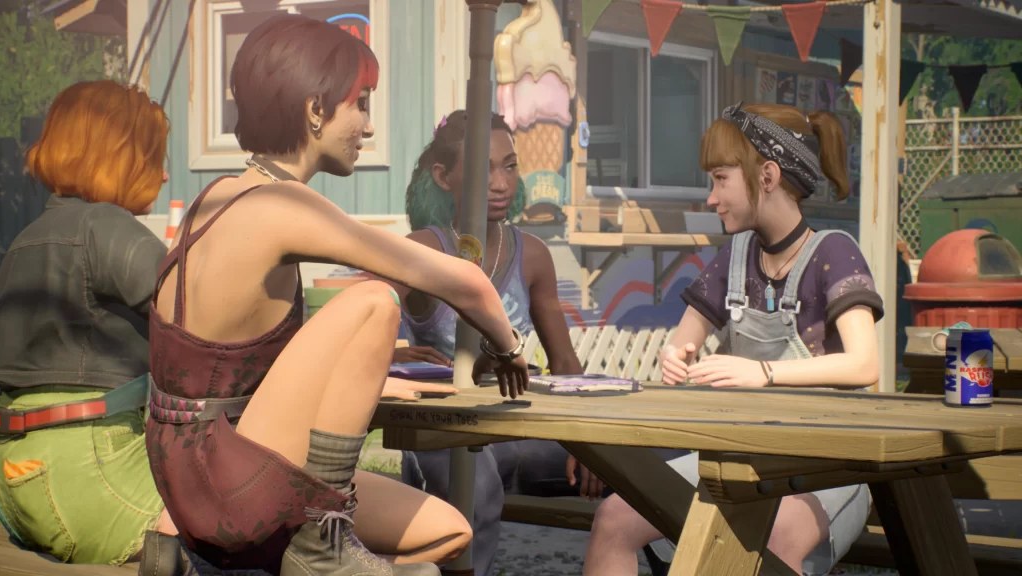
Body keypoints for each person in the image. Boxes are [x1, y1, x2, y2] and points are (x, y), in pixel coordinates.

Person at [138, 15, 534, 576]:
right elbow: (462, 280)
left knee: (450, 532)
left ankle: (190, 556)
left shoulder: (215, 197)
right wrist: (507, 346)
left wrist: (377, 370)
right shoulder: (286, 206)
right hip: (228, 479)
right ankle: (324, 543)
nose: (368, 128)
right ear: (316, 109)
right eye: (362, 104)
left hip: (181, 478)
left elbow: (230, 367)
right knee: (373, 303)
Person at [583, 102, 883, 576]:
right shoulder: (735, 258)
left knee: (773, 539)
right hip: (743, 457)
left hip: (828, 462)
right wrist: (675, 357)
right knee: (615, 517)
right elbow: (684, 340)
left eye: (721, 179)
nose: (711, 198)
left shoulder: (835, 253)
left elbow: (864, 366)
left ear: (766, 175)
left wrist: (762, 373)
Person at [389, 110, 603, 576]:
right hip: (445, 431)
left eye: (509, 166)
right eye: (484, 167)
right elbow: (356, 311)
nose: (501, 181)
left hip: (521, 428)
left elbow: (566, 362)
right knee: (474, 484)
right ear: (444, 177)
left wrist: (591, 445)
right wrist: (393, 354)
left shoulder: (533, 255)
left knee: (643, 468)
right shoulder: (423, 250)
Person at [0, 80, 175, 565]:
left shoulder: (24, 241)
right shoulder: (107, 228)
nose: (163, 176)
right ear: (115, 156)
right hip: (92, 473)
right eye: (153, 157)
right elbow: (198, 320)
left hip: (17, 478)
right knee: (243, 523)